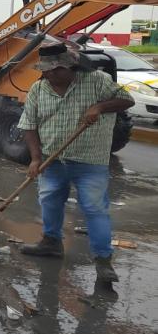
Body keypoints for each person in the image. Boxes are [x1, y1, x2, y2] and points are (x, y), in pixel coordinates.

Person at [17, 43, 134, 283]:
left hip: (90, 161)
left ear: (71, 66)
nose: (50, 73)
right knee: (49, 201)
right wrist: (36, 158)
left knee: (94, 208)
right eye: (46, 70)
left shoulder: (97, 81)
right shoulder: (38, 89)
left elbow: (126, 100)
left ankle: (103, 261)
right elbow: (29, 125)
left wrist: (100, 107)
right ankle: (51, 243)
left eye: (57, 69)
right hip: (52, 160)